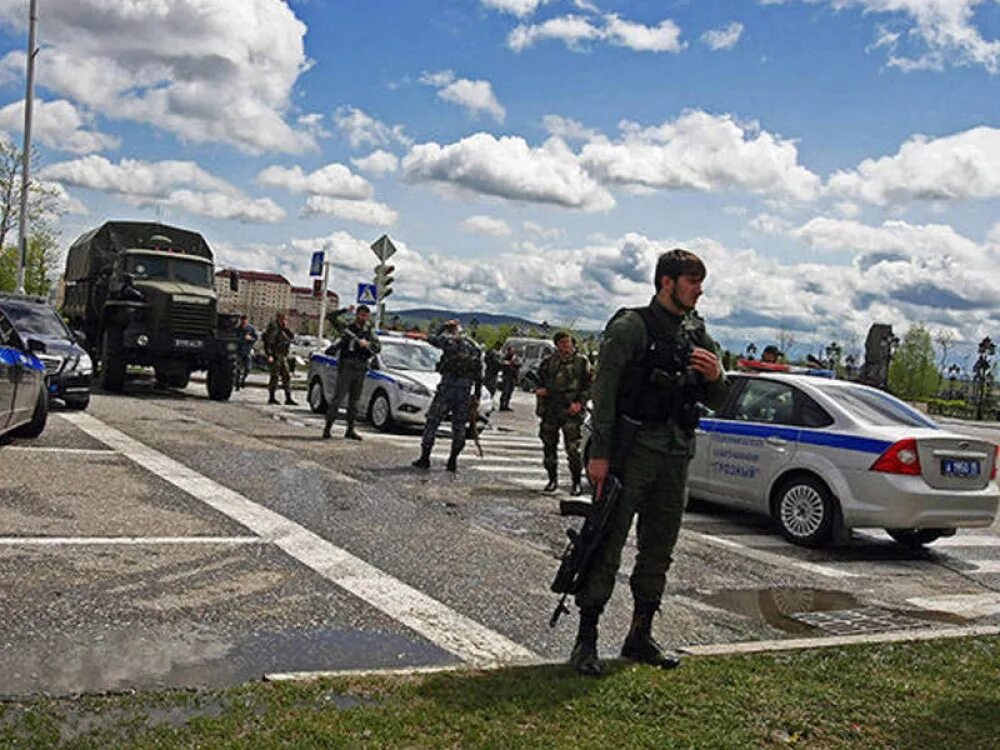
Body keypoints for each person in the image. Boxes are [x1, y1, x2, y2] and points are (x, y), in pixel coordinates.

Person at [569, 248, 728, 676]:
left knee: (659, 548)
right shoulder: (631, 327)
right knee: (607, 542)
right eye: (692, 281)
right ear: (666, 282)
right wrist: (599, 454)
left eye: (699, 281)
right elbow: (603, 393)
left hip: (676, 453)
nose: (699, 289)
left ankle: (639, 635)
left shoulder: (698, 332)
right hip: (631, 450)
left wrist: (716, 375)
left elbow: (720, 394)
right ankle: (586, 639)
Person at [412, 320, 483, 472]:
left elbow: (431, 339)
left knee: (432, 422)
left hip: (447, 389)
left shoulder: (450, 341)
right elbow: (479, 373)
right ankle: (452, 460)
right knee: (459, 427)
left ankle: (425, 458)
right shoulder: (475, 347)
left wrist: (442, 327)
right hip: (464, 392)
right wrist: (477, 395)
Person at [536, 331, 591, 500]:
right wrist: (540, 392)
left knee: (573, 450)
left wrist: (579, 403)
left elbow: (589, 385)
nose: (566, 346)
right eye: (562, 343)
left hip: (571, 411)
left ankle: (576, 482)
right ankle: (552, 480)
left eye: (568, 343)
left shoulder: (581, 362)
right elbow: (539, 382)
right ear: (557, 345)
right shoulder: (549, 363)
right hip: (552, 410)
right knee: (549, 446)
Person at [323, 305, 380, 441]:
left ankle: (350, 429)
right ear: (356, 315)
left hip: (360, 367)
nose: (363, 318)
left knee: (354, 402)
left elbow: (377, 347)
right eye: (360, 315)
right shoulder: (347, 329)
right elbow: (330, 317)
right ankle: (328, 428)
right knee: (338, 398)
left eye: (365, 316)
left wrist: (367, 345)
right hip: (347, 366)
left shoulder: (369, 331)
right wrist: (345, 310)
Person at [263, 312, 297, 406]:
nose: (285, 321)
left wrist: (286, 329)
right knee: (275, 376)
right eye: (283, 319)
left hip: (283, 356)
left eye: (285, 319)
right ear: (278, 319)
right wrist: (269, 355)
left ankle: (288, 397)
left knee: (286, 376)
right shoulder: (273, 329)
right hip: (275, 355)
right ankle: (272, 397)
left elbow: (291, 338)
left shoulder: (284, 330)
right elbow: (268, 342)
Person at [235, 314, 258, 390]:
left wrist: (250, 338)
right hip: (239, 351)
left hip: (247, 350)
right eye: (242, 320)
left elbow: (256, 338)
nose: (244, 321)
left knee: (248, 368)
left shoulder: (251, 328)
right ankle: (237, 383)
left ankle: (243, 380)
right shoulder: (237, 328)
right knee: (237, 368)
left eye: (245, 320)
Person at [498, 345, 521, 411]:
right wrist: (509, 364)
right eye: (511, 350)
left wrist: (514, 364)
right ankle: (502, 405)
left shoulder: (515, 357)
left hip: (513, 376)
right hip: (507, 376)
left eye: (513, 351)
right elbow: (503, 364)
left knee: (510, 391)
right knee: (505, 391)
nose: (512, 352)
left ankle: (506, 405)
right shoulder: (506, 357)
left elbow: (519, 364)